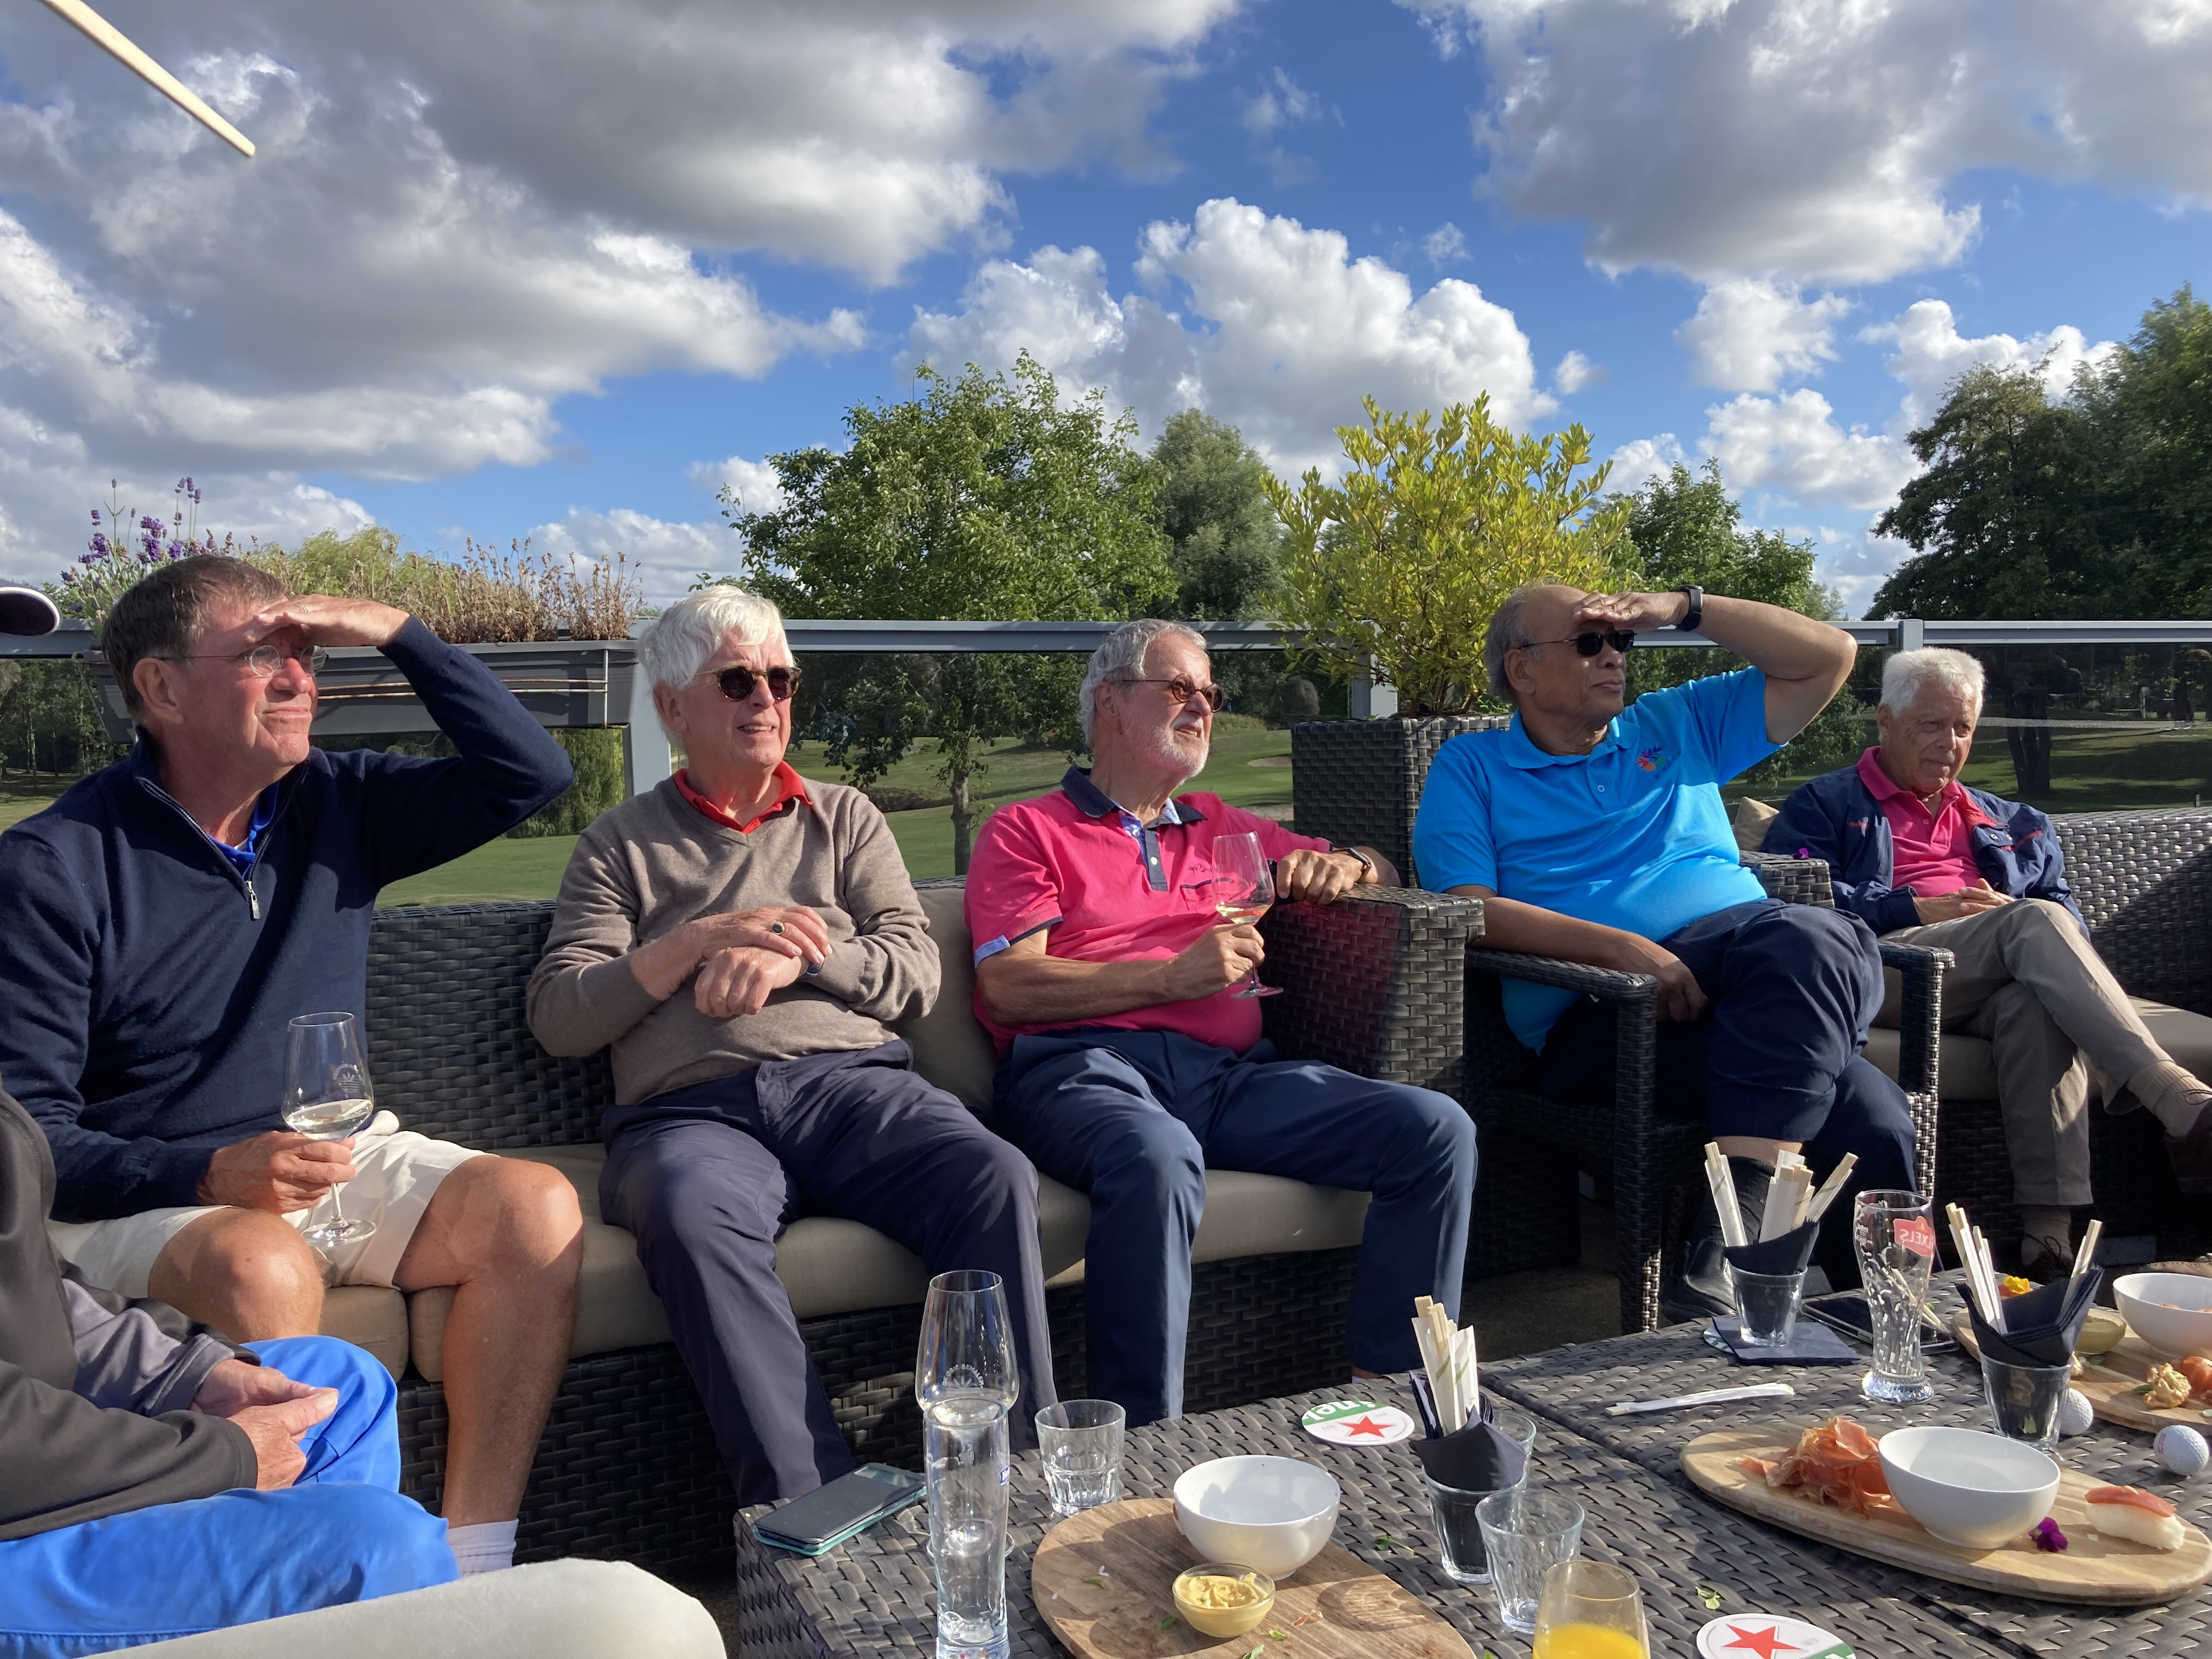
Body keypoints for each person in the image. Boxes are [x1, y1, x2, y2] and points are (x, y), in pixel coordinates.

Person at [0, 557, 585, 1576]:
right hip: (154, 1195)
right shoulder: (56, 866)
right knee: (258, 1261)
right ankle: (332, 1577)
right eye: (262, 655)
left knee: (534, 1208)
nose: (299, 679)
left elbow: (531, 773)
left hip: (332, 1153)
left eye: (308, 655)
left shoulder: (338, 803)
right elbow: (33, 1139)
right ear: (160, 687)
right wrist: (206, 1172)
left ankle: (470, 1562)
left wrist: (401, 632)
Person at [525, 585, 1055, 1504]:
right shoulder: (618, 846)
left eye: (782, 678)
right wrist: (696, 942)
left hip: (854, 1091)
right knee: (689, 1211)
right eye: (738, 681)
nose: (767, 698)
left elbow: (916, 968)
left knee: (992, 1174)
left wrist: (801, 954)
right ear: (672, 707)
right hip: (692, 1116)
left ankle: (1008, 1483)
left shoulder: (844, 818)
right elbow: (560, 1014)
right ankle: (816, 1517)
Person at [967, 619, 1476, 1426]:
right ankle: (1139, 1438)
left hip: (1226, 1080)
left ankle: (1394, 1401)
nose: (1203, 706)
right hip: (1083, 1071)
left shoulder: (1221, 826)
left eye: (1211, 691)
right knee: (1158, 1156)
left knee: (1435, 1129)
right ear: (1109, 703)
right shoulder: (1028, 830)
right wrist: (1171, 977)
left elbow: (1382, 862)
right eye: (1179, 688)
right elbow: (1007, 989)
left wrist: (1348, 864)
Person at [1413, 584, 1914, 1322]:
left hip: (1754, 974)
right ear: (1522, 669)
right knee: (1845, 1032)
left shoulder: (1677, 722)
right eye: (1590, 642)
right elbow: (1467, 909)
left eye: (1622, 641)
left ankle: (1850, 1306)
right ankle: (1787, 1266)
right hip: (1613, 1019)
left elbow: (1829, 657)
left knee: (1870, 1107)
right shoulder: (1472, 766)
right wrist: (1624, 950)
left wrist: (1682, 609)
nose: (1614, 656)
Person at [1766, 646, 2212, 1273]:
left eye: (1963, 727)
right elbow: (1793, 899)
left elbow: (2070, 923)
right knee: (2032, 919)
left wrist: (2005, 915)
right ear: (1885, 720)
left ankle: (2047, 1240)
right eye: (1931, 724)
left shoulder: (2013, 821)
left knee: (2033, 1001)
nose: (1949, 743)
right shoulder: (1826, 803)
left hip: (1991, 974)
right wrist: (1914, 907)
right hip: (1883, 966)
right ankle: (2175, 1098)